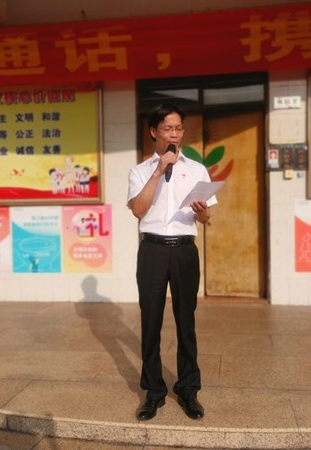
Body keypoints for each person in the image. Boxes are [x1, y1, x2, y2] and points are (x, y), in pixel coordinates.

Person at [127, 104, 216, 421]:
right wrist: (158, 171)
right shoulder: (140, 171)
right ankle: (153, 392)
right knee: (150, 321)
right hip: (152, 250)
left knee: (186, 322)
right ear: (154, 132)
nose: (174, 134)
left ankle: (189, 390)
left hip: (184, 250)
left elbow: (205, 217)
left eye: (178, 128)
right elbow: (138, 210)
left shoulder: (197, 169)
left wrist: (202, 213)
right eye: (168, 128)